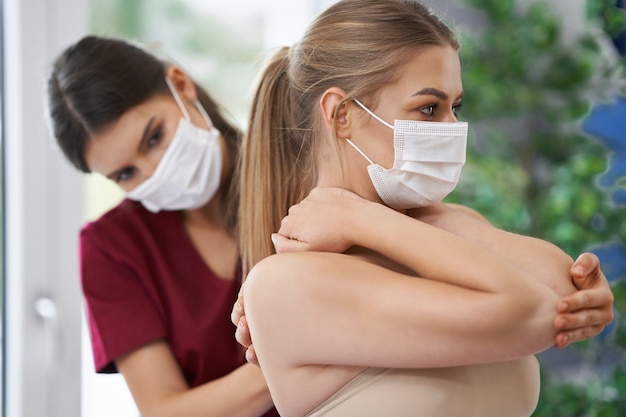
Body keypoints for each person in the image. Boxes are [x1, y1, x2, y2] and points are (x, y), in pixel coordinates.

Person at [233, 1, 616, 416]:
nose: (452, 129)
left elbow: (567, 292)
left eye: (457, 107)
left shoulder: (437, 228)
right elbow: (539, 315)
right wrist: (361, 217)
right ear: (341, 115)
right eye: (429, 109)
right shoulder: (284, 284)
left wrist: (419, 218)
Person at [46, 35, 278, 417]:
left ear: (181, 86)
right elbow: (164, 411)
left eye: (154, 137)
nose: (156, 173)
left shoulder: (295, 169)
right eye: (125, 173)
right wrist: (307, 349)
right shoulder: (112, 246)